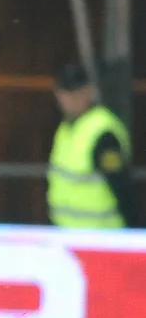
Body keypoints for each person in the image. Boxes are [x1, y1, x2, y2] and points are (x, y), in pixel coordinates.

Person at [48, 63, 137, 228]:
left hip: (101, 234)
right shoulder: (66, 128)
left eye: (76, 93)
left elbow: (122, 187)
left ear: (89, 92)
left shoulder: (102, 133)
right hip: (67, 232)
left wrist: (134, 234)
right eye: (66, 93)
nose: (70, 99)